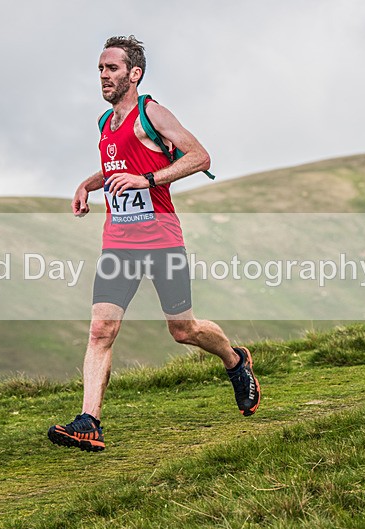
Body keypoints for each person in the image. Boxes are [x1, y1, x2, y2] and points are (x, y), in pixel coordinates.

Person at [48, 35, 260, 452]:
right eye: (100, 70)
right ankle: (89, 421)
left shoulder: (151, 113)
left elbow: (199, 157)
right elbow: (117, 167)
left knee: (183, 330)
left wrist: (147, 180)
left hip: (162, 239)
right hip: (118, 244)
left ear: (134, 73)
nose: (104, 77)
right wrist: (89, 184)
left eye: (111, 69)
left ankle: (236, 362)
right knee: (100, 330)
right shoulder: (104, 124)